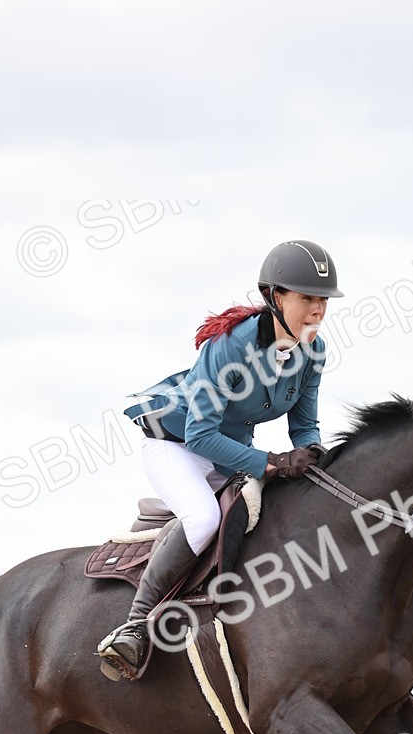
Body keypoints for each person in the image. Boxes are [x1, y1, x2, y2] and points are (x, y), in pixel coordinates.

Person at [97, 239, 342, 680]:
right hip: (176, 445)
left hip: (227, 453)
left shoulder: (314, 352)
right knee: (205, 518)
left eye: (323, 300)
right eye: (307, 298)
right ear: (275, 297)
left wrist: (317, 461)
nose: (318, 311)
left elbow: (304, 429)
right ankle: (135, 625)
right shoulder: (230, 346)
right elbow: (200, 434)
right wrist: (270, 463)